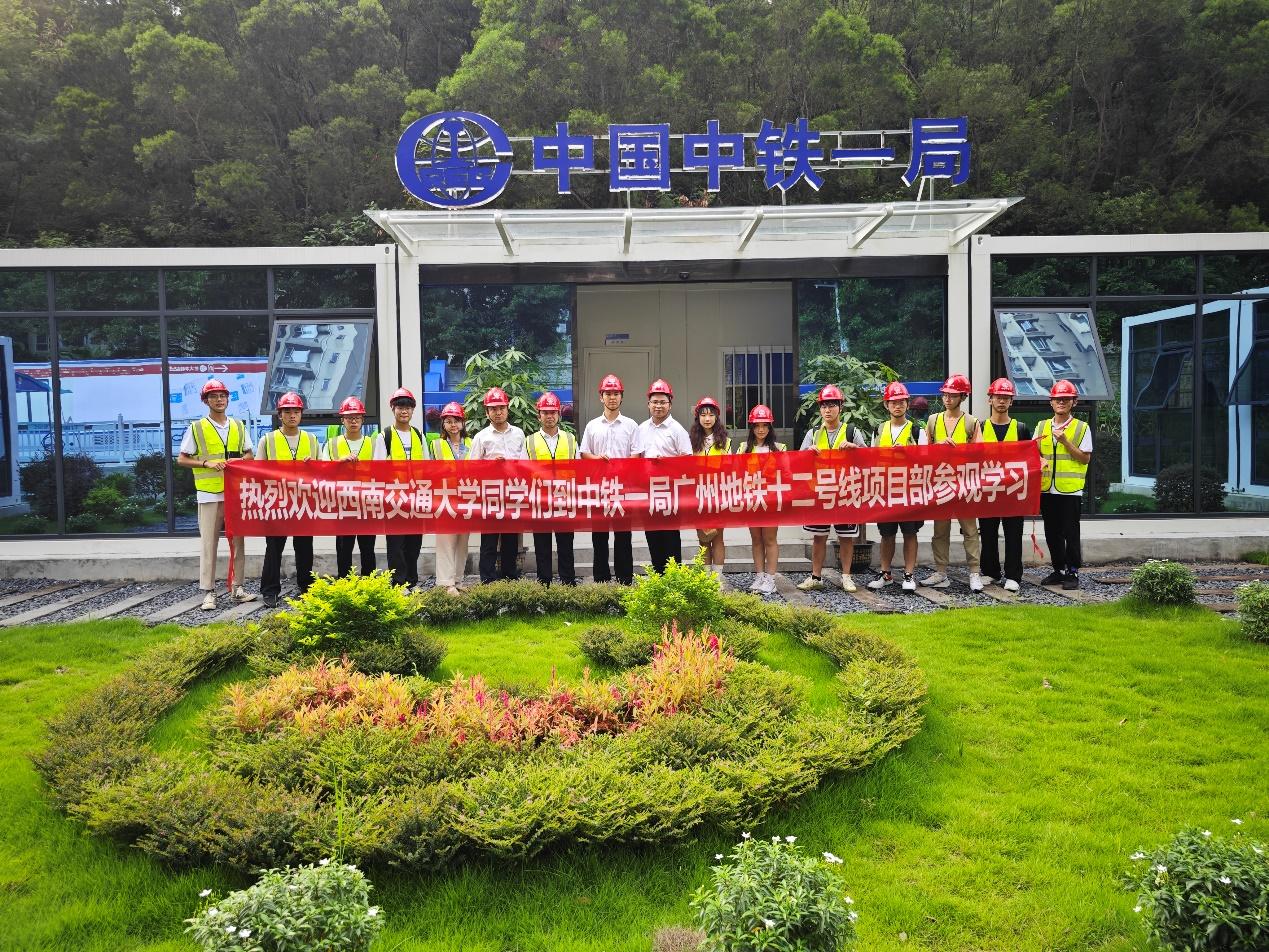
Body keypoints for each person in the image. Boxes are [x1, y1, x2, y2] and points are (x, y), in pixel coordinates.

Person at [176, 378, 258, 611]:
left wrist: (237, 461)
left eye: (222, 395)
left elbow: (249, 455)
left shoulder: (239, 426)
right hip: (209, 494)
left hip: (234, 493)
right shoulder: (197, 428)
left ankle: (238, 588)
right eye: (213, 396)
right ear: (206, 401)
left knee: (238, 543)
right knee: (208, 544)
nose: (219, 399)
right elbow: (182, 459)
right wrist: (206, 463)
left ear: (228, 399)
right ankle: (209, 592)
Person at [797, 384, 870, 594]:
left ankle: (846, 576)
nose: (827, 410)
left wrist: (854, 448)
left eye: (832, 405)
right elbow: (799, 461)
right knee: (818, 536)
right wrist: (808, 452)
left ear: (840, 407)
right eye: (824, 406)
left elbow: (869, 457)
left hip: (845, 490)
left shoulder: (851, 431)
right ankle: (816, 576)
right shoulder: (813, 433)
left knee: (846, 537)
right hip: (820, 492)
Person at [921, 374, 984, 592]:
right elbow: (923, 452)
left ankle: (974, 572)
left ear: (962, 397)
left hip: (964, 484)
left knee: (970, 530)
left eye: (953, 395)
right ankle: (941, 572)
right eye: (945, 395)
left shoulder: (971, 422)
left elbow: (979, 454)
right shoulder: (933, 420)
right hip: (940, 483)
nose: (947, 399)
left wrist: (960, 451)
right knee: (940, 530)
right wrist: (939, 445)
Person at [256, 391, 319, 608]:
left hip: (303, 501)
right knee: (274, 547)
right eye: (287, 411)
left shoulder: (311, 440)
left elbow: (322, 472)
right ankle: (270, 590)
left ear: (301, 414)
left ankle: (306, 587)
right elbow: (258, 472)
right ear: (279, 415)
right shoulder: (268, 440)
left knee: (305, 547)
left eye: (296, 411)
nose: (292, 415)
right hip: (277, 502)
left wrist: (313, 466)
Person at [868, 381, 928, 592]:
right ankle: (885, 573)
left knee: (910, 533)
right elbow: (871, 459)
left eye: (901, 402)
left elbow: (926, 460)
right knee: (887, 534)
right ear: (886, 405)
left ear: (907, 404)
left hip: (910, 490)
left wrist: (908, 453)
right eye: (893, 402)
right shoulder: (879, 429)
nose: (897, 405)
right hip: (886, 490)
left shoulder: (917, 430)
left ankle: (909, 575)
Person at [580, 373, 639, 585]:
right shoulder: (592, 425)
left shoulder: (631, 425)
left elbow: (636, 454)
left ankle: (625, 579)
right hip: (599, 489)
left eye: (616, 393)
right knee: (599, 536)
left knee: (623, 536)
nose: (612, 397)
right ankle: (601, 579)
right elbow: (584, 453)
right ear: (601, 397)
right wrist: (597, 459)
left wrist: (622, 466)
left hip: (623, 489)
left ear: (621, 396)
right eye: (608, 393)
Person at [1034, 379, 1092, 590]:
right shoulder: (1042, 426)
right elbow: (1033, 452)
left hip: (1069, 489)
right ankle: (1058, 569)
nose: (1061, 402)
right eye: (1057, 399)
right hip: (1047, 488)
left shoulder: (1081, 427)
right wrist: (1039, 459)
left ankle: (1072, 571)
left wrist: (1066, 442)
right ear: (1051, 402)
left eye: (1066, 399)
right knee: (1052, 532)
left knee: (1070, 532)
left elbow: (1085, 458)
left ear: (1073, 402)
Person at [976, 378, 1030, 592]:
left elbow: (1030, 458)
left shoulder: (1021, 428)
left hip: (1013, 491)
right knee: (988, 532)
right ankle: (990, 571)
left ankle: (1013, 575)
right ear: (990, 399)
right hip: (988, 489)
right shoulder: (980, 427)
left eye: (1006, 398)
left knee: (1013, 534)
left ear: (1011, 401)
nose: (1001, 401)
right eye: (998, 397)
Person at [632, 378, 692, 574]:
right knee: (652, 535)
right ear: (648, 404)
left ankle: (674, 578)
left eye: (662, 402)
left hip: (670, 492)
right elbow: (636, 458)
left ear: (670, 404)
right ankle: (658, 577)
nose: (658, 406)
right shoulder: (641, 429)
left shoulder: (678, 430)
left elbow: (687, 461)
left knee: (671, 536)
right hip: (648, 491)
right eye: (655, 402)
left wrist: (667, 462)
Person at [373, 387, 428, 588]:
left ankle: (412, 581)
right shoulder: (385, 436)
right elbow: (378, 469)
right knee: (396, 544)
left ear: (413, 410)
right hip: (394, 499)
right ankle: (398, 583)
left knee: (414, 542)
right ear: (393, 409)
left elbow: (427, 466)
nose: (404, 411)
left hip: (415, 498)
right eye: (400, 407)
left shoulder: (419, 435)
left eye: (408, 407)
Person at [471, 386, 526, 583]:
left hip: (512, 493)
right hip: (490, 495)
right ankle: (487, 580)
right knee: (489, 540)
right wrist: (490, 466)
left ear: (507, 409)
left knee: (511, 540)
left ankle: (509, 577)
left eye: (501, 407)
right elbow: (472, 468)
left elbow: (525, 464)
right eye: (493, 408)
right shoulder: (481, 437)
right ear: (487, 412)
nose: (498, 412)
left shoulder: (519, 434)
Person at [526, 391, 578, 586]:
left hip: (565, 499)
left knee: (566, 545)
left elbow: (579, 469)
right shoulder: (529, 441)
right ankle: (544, 584)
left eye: (553, 412)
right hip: (540, 501)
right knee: (542, 546)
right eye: (545, 412)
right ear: (539, 415)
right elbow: (523, 471)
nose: (549, 416)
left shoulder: (570, 439)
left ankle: (568, 583)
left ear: (559, 414)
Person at [323, 395, 376, 578]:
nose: (353, 421)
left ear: (362, 419)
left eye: (357, 417)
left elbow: (381, 470)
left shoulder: (372, 443)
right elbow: (323, 469)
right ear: (342, 420)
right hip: (342, 502)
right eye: (349, 417)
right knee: (344, 547)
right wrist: (340, 461)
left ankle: (370, 583)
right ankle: (344, 582)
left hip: (367, 502)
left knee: (367, 547)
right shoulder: (332, 444)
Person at [737, 404, 786, 594]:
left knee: (770, 539)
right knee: (756, 539)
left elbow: (787, 473)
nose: (761, 429)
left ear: (770, 427)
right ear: (751, 427)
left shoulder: (779, 448)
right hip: (752, 499)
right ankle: (759, 576)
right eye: (757, 425)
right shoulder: (744, 448)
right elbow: (736, 473)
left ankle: (771, 579)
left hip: (771, 500)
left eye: (765, 425)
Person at [431, 400, 472, 595]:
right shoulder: (435, 445)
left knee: (463, 542)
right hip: (444, 497)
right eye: (448, 421)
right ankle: (446, 583)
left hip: (466, 497)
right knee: (445, 541)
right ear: (443, 424)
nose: (453, 425)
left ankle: (458, 580)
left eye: (456, 420)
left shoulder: (472, 443)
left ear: (463, 423)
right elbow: (428, 471)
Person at [689, 395, 731, 575]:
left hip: (718, 494)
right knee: (703, 538)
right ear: (698, 417)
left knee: (718, 537)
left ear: (716, 417)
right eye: (703, 415)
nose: (707, 419)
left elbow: (730, 469)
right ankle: (706, 577)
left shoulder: (725, 441)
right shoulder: (691, 441)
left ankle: (717, 578)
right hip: (699, 495)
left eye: (711, 415)